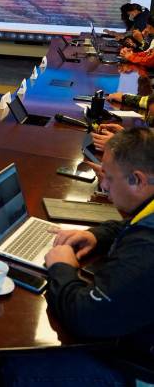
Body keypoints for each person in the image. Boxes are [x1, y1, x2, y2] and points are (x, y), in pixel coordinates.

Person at [13, 126, 154, 385]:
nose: (103, 185)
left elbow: (86, 317)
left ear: (138, 180)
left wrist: (62, 268)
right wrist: (97, 236)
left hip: (137, 367)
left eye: (109, 178)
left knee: (16, 365)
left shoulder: (147, 249)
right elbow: (131, 225)